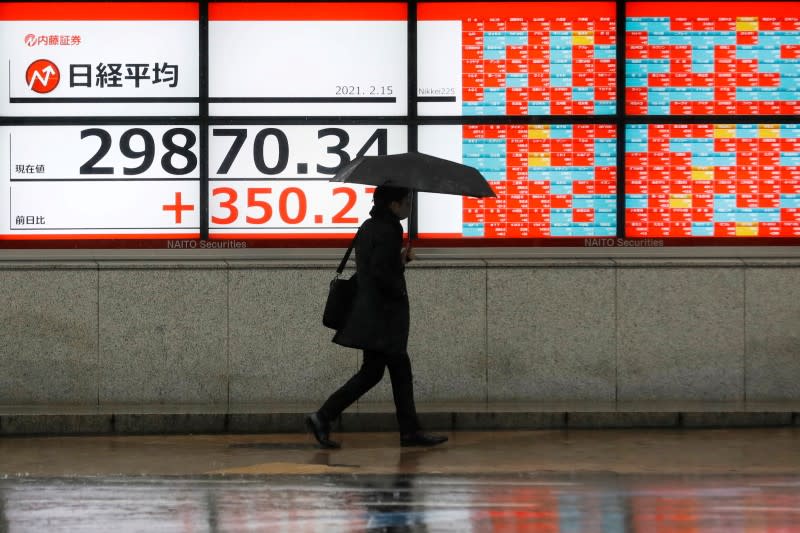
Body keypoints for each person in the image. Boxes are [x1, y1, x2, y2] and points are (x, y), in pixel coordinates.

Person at [306, 185, 448, 448]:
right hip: (385, 316)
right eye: (407, 201)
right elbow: (383, 273)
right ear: (393, 204)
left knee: (377, 372)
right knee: (392, 371)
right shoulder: (390, 229)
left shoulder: (369, 226)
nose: (409, 206)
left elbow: (373, 267)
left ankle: (326, 417)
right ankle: (325, 416)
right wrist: (401, 269)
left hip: (372, 313)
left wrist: (399, 261)